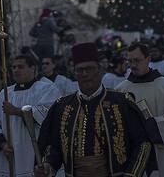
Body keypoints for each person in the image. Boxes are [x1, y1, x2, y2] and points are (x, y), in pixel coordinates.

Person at [36, 42, 153, 177]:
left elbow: (142, 143)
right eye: (80, 70)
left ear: (99, 69)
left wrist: (131, 174)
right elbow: (53, 146)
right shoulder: (62, 106)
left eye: (89, 69)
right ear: (75, 72)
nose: (85, 74)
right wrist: (48, 165)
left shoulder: (122, 102)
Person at [116, 43, 164, 176]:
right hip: (134, 155)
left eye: (137, 60)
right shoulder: (121, 90)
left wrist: (151, 126)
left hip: (163, 155)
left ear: (148, 59)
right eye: (130, 61)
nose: (133, 65)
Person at [0, 54, 61, 177]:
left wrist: (17, 111)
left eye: (20, 66)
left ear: (33, 68)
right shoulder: (5, 94)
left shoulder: (47, 89)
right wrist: (3, 145)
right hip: (10, 156)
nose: (16, 70)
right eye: (14, 67)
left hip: (35, 153)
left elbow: (49, 117)